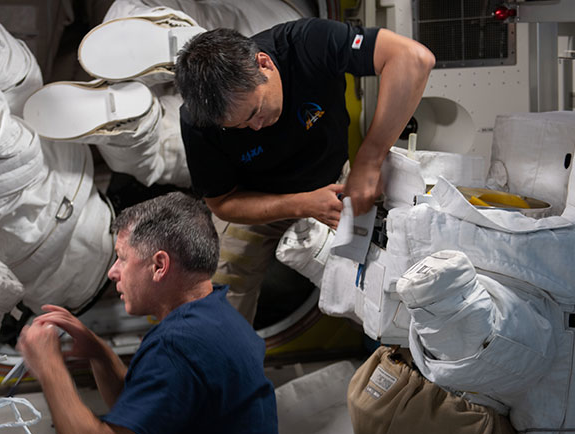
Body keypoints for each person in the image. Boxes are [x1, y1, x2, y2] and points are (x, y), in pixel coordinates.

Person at [16, 191, 283, 434]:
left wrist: (48, 367)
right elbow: (142, 419)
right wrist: (98, 353)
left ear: (159, 265)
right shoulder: (218, 317)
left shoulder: (179, 346)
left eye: (122, 258)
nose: (113, 271)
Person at [175, 19, 435, 322]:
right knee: (215, 302)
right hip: (258, 203)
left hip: (337, 184)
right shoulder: (197, 123)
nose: (255, 127)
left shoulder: (307, 43)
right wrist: (302, 204)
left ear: (264, 64)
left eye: (255, 112)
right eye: (240, 126)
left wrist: (370, 159)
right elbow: (222, 203)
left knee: (382, 278)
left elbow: (414, 59)